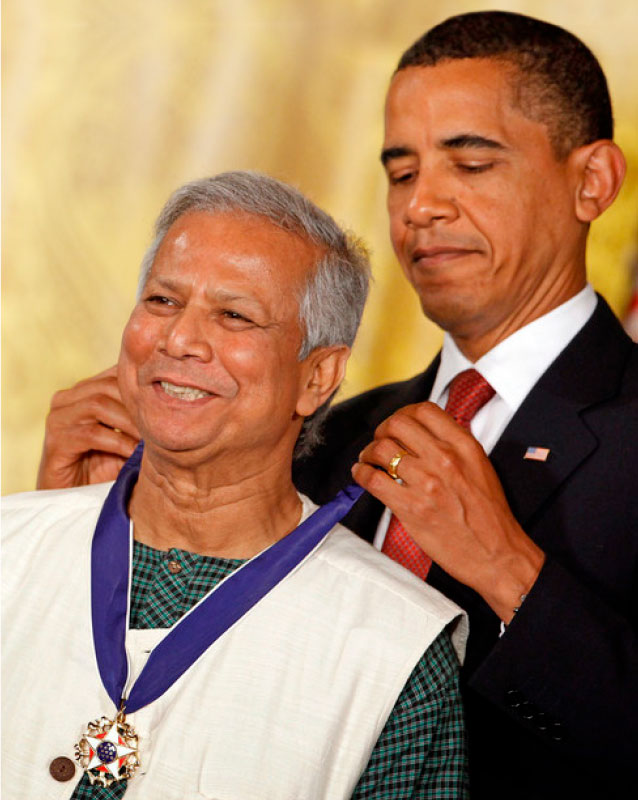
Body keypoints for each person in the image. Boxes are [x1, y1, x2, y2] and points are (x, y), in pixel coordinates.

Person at [32, 11, 638, 799]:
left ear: (593, 181)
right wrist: (80, 534)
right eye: (402, 172)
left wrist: (508, 571)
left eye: (470, 164)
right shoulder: (326, 434)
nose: (422, 205)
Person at [2, 172, 469, 799]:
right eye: (162, 300)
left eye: (234, 315)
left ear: (317, 376)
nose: (179, 339)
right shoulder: (11, 545)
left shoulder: (395, 646)